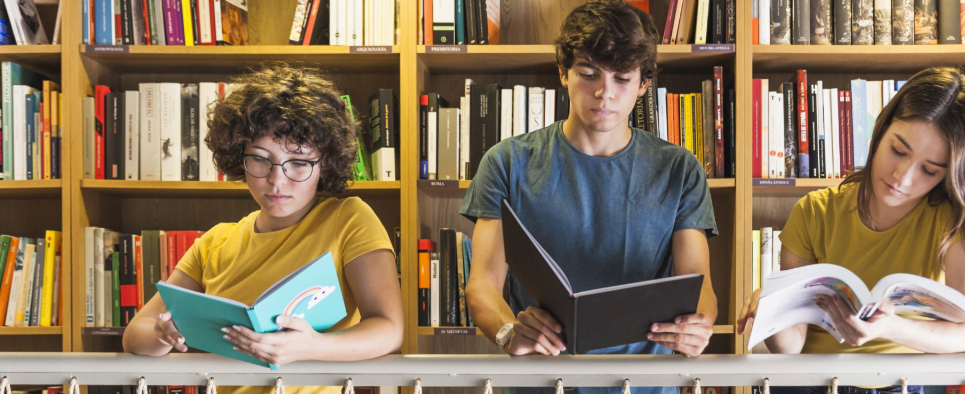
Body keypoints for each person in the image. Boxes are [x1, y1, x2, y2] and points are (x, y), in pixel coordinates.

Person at [461, 1, 718, 393]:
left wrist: (699, 327)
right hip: (543, 382)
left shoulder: (680, 170)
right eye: (588, 73)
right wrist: (507, 332)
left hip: (645, 385)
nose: (604, 93)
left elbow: (698, 284)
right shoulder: (507, 163)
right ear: (563, 73)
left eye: (622, 79)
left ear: (644, 84)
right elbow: (481, 284)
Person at [123, 63, 404, 394]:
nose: (277, 180)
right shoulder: (214, 243)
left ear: (324, 163)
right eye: (259, 159)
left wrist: (310, 347)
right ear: (237, 156)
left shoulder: (349, 218)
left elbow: (389, 328)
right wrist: (162, 334)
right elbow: (135, 334)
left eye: (298, 162)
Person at [736, 67, 965, 394]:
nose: (902, 177)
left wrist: (890, 327)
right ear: (881, 129)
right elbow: (791, 346)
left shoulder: (953, 223)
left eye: (928, 170)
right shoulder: (814, 212)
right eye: (898, 150)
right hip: (812, 384)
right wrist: (772, 312)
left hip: (898, 385)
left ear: (949, 174)